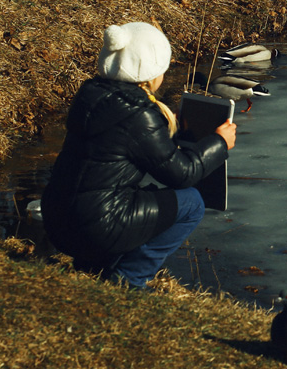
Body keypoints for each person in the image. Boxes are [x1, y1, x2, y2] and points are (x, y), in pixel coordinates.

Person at [41, 21, 236, 288]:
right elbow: (182, 174)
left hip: (57, 220)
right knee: (191, 203)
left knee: (127, 193)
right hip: (94, 227)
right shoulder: (139, 113)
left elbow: (120, 146)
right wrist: (219, 143)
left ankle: (94, 264)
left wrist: (168, 128)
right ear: (149, 72)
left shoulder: (91, 96)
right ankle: (129, 278)